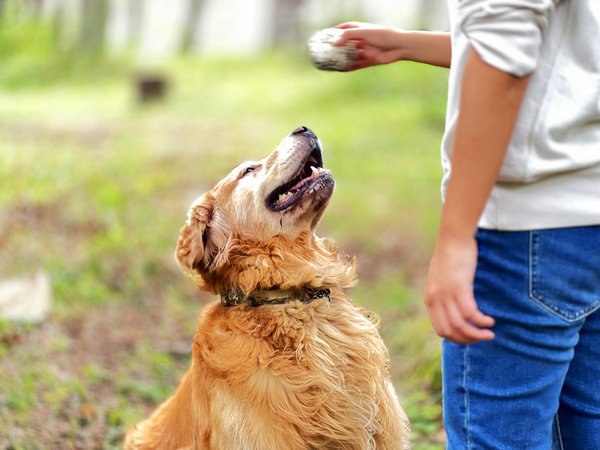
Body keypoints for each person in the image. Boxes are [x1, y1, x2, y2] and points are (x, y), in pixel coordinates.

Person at [333, 1, 600, 448]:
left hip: (528, 232)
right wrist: (405, 44)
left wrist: (457, 236)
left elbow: (504, 55)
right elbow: (563, 56)